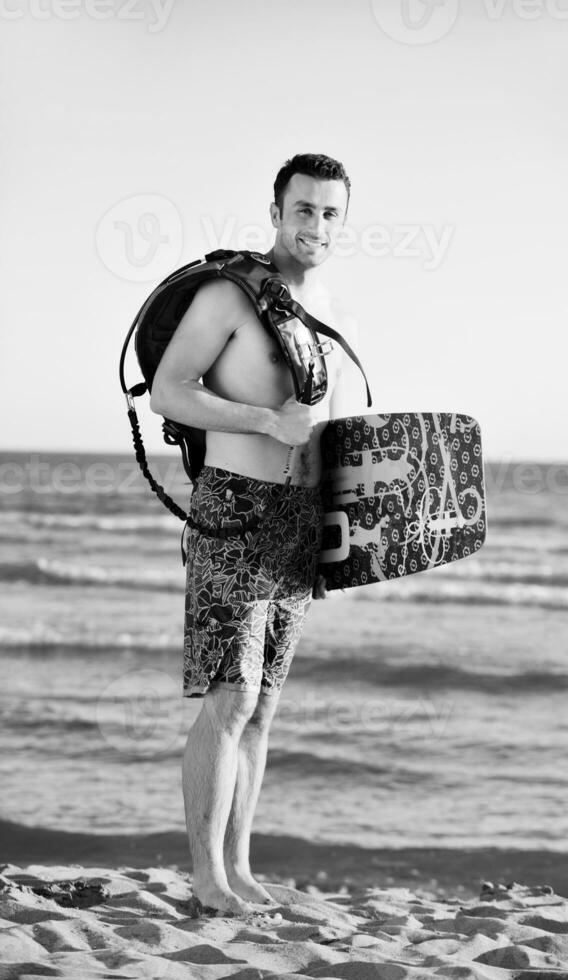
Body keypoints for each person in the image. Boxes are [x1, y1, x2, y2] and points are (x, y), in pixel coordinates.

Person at [149, 153, 366, 915]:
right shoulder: (230, 296)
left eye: (330, 212)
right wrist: (265, 420)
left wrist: (347, 535)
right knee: (230, 697)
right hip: (236, 510)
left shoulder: (325, 309)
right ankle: (206, 876)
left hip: (299, 523)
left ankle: (238, 869)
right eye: (302, 209)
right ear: (276, 212)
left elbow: (330, 434)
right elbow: (170, 392)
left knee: (264, 706)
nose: (315, 225)